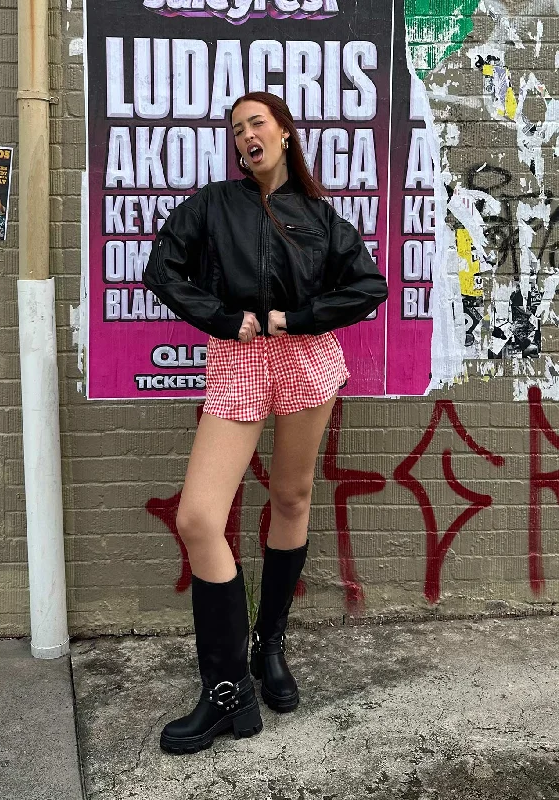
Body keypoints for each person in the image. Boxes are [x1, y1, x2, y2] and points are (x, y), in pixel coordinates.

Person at [143, 91, 388, 755]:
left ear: (283, 131)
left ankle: (267, 648)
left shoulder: (319, 216)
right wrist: (225, 319)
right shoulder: (212, 206)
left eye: (256, 122)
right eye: (236, 129)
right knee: (199, 517)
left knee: (291, 497)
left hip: (306, 359)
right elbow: (161, 270)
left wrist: (297, 318)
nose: (245, 134)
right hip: (240, 360)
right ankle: (228, 693)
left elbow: (370, 287)